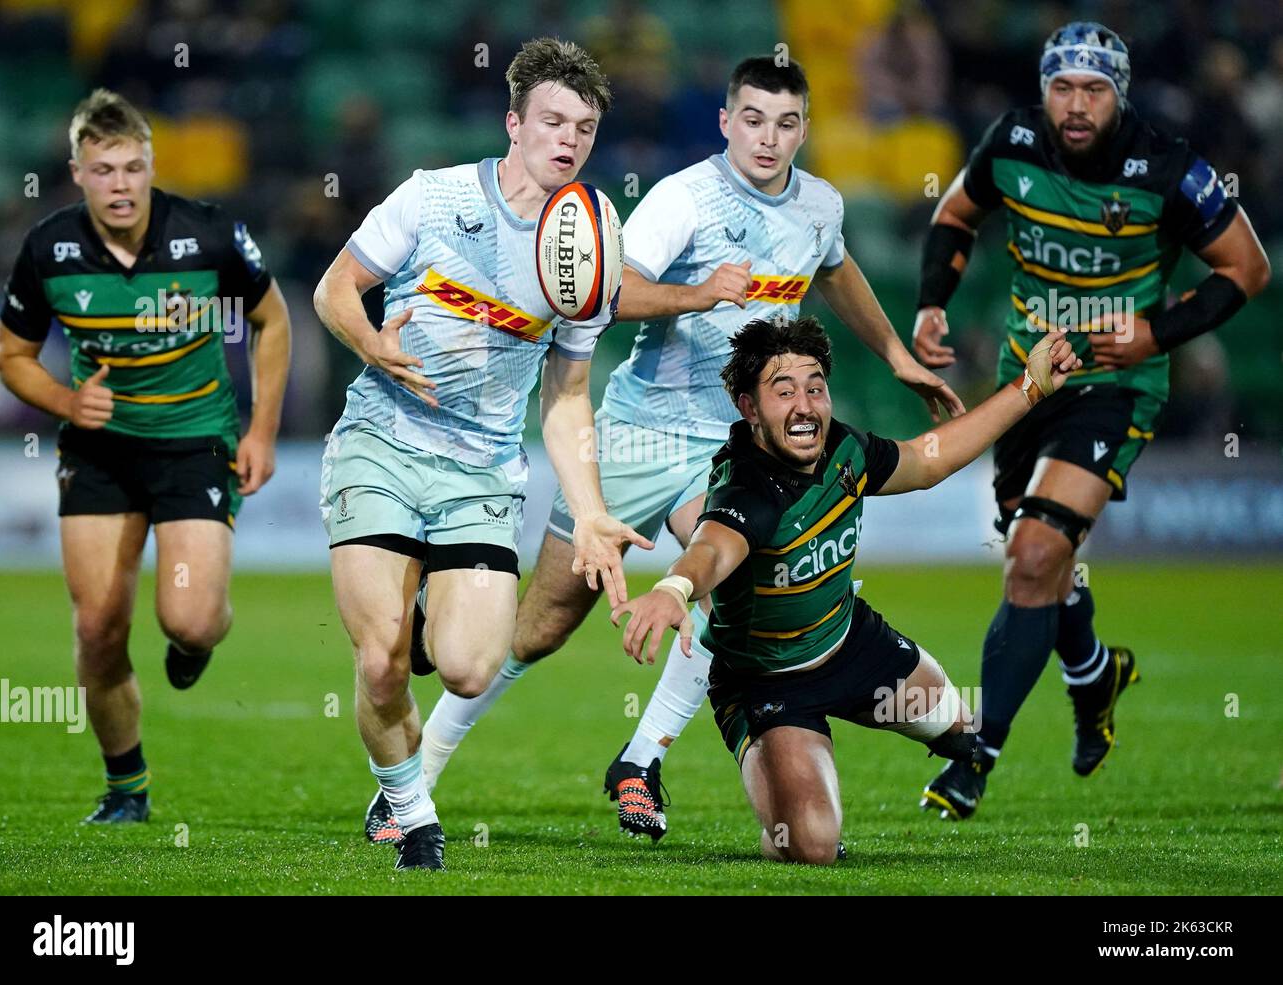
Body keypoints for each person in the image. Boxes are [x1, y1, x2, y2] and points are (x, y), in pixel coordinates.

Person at [407, 55, 965, 842]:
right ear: (725, 121)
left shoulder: (819, 204)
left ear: (804, 128)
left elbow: (836, 270)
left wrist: (896, 353)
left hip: (731, 449)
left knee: (729, 591)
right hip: (638, 432)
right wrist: (702, 291)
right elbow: (607, 291)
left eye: (786, 123)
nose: (769, 138)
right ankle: (412, 781)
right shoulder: (685, 199)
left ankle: (640, 758)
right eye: (753, 120)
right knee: (540, 627)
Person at [910, 22, 1270, 819]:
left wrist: (1155, 331)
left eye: (1095, 89)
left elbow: (1248, 269)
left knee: (1035, 552)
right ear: (1044, 90)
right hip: (1027, 383)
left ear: (1121, 93)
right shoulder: (1011, 143)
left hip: (1116, 385)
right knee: (1043, 559)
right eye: (1063, 88)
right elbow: (956, 214)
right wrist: (933, 301)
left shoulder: (1170, 167)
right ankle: (1095, 673)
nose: (1076, 106)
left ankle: (978, 753)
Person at [314, 38, 651, 870]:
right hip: (383, 444)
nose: (568, 139)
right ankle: (411, 811)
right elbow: (333, 290)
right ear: (514, 123)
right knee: (382, 658)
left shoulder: (593, 243)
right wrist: (374, 349)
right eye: (552, 121)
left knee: (467, 669)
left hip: (482, 471)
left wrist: (595, 510)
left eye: (585, 127)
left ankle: (432, 608)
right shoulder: (431, 200)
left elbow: (567, 396)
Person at [611, 315, 1079, 863]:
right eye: (783, 392)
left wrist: (1030, 389)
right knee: (810, 846)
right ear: (749, 409)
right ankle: (779, 797)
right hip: (768, 684)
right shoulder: (746, 486)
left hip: (852, 645)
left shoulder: (845, 450)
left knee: (961, 734)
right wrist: (673, 587)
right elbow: (713, 547)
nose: (805, 405)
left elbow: (929, 461)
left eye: (815, 387)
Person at [0, 88, 291, 823]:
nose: (119, 184)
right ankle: (126, 787)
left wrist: (259, 432)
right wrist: (64, 402)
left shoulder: (209, 234)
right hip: (101, 452)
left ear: (152, 165)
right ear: (77, 171)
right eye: (103, 170)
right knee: (97, 628)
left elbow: (273, 320)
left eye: (131, 168)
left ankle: (196, 639)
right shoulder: (49, 249)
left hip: (195, 443)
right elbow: (12, 355)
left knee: (187, 619)